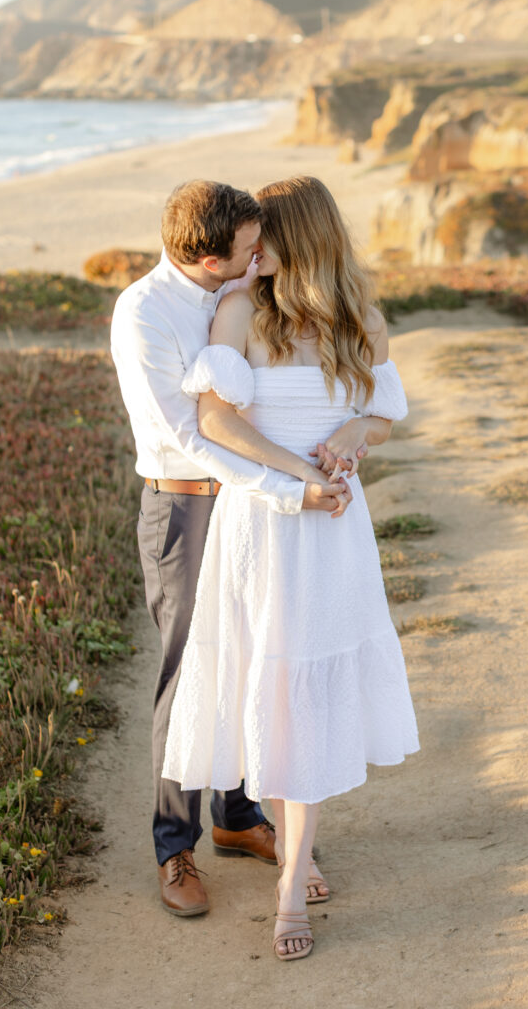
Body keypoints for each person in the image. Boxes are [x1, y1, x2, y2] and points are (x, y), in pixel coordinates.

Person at [162, 175, 420, 960]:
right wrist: (294, 477)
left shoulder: (359, 319)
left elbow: (384, 412)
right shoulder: (239, 311)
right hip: (266, 526)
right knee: (270, 684)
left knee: (305, 689)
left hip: (335, 533)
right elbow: (213, 420)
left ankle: (291, 873)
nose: (251, 250)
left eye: (263, 235)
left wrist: (349, 435)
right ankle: (288, 853)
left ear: (299, 237)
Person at [111, 180, 355, 918]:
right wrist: (290, 488)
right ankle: (172, 845)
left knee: (257, 660)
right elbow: (192, 434)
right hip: (186, 507)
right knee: (191, 673)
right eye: (249, 250)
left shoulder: (243, 293)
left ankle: (238, 817)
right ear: (209, 257)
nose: (262, 258)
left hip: (249, 508)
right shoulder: (144, 313)